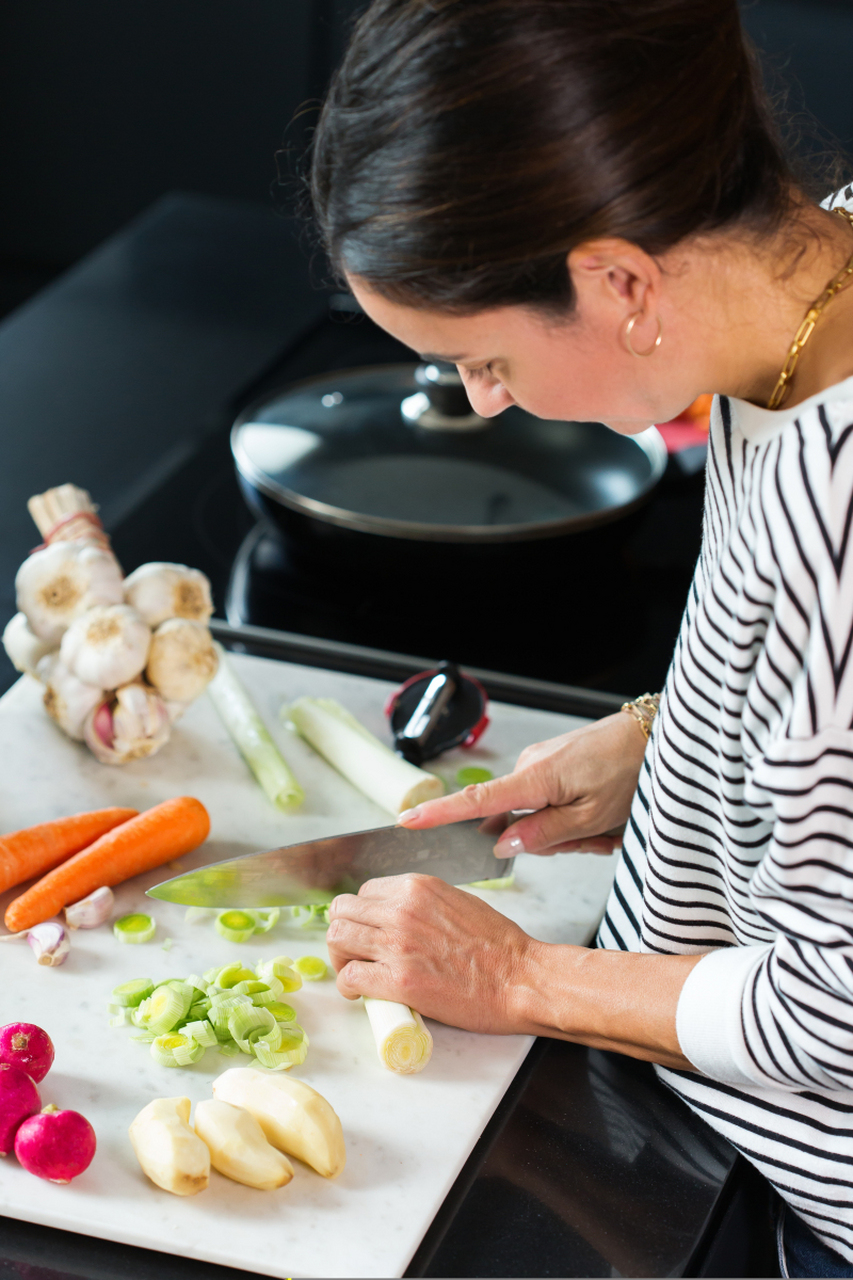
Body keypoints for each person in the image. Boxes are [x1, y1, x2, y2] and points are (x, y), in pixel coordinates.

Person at [310, 1, 853, 1273]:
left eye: (486, 361)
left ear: (618, 279)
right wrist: (682, 741)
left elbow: (837, 1011)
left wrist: (514, 979)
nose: (488, 406)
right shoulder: (813, 266)